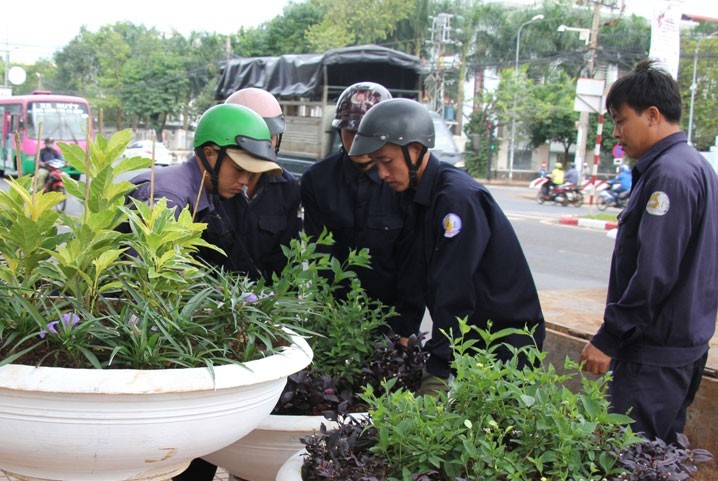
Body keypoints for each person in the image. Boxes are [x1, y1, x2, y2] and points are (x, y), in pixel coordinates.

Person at [348, 98, 546, 393]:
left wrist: (438, 368)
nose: (382, 174)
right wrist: (404, 330)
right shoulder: (416, 197)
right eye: (375, 164)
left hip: (507, 343)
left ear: (415, 149)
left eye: (386, 161)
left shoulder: (456, 199)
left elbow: (455, 290)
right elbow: (413, 272)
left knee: (495, 433)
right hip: (472, 340)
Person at [579, 60, 718, 444]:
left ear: (652, 115)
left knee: (629, 457)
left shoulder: (669, 175)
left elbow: (654, 271)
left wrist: (610, 337)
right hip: (680, 350)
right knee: (659, 459)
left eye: (621, 121)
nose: (617, 135)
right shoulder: (696, 167)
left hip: (653, 357)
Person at [300, 82, 422, 335]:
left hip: (391, 318)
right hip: (333, 316)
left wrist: (404, 330)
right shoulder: (317, 180)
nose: (358, 142)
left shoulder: (403, 182)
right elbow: (318, 256)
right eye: (350, 132)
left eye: (368, 135)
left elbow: (414, 267)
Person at [128, 103, 283, 272]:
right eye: (239, 169)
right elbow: (142, 280)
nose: (245, 181)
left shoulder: (201, 192)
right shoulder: (169, 200)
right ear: (209, 154)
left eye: (251, 173)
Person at [221, 87, 302, 280]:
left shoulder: (287, 188)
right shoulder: (208, 185)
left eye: (268, 138)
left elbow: (288, 262)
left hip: (263, 302)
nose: (260, 147)